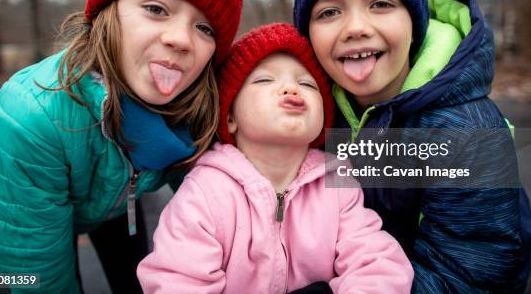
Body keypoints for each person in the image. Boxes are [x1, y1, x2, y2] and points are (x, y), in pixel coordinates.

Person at [0, 0, 249, 293]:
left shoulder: (197, 103)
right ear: (108, 12)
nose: (181, 39)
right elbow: (34, 277)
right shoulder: (26, 121)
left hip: (117, 207)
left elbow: (220, 208)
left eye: (205, 28)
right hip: (40, 222)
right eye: (156, 9)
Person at [291, 0, 531, 292]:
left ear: (414, 21)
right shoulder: (313, 107)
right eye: (329, 13)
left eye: (381, 4)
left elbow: (469, 272)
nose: (356, 27)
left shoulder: (465, 129)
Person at [136, 23, 414, 293]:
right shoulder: (205, 193)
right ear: (230, 117)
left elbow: (376, 265)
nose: (291, 89)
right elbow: (179, 281)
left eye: (307, 84)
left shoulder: (338, 185)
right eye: (265, 79)